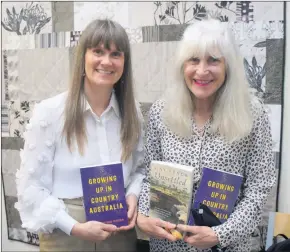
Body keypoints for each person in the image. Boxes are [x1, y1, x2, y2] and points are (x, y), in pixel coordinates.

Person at [137, 18, 276, 252]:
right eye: (194, 60)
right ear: (183, 65)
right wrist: (143, 216)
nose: (202, 71)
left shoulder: (252, 113)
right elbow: (146, 175)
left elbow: (259, 188)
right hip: (169, 246)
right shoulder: (161, 111)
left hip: (226, 246)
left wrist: (219, 234)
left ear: (228, 65)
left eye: (213, 60)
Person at [15, 19, 145, 252]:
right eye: (98, 51)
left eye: (116, 54)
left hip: (120, 235)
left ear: (125, 62)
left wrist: (133, 194)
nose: (106, 61)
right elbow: (30, 189)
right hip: (66, 236)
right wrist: (74, 227)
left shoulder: (132, 112)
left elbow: (139, 170)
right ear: (83, 56)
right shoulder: (50, 112)